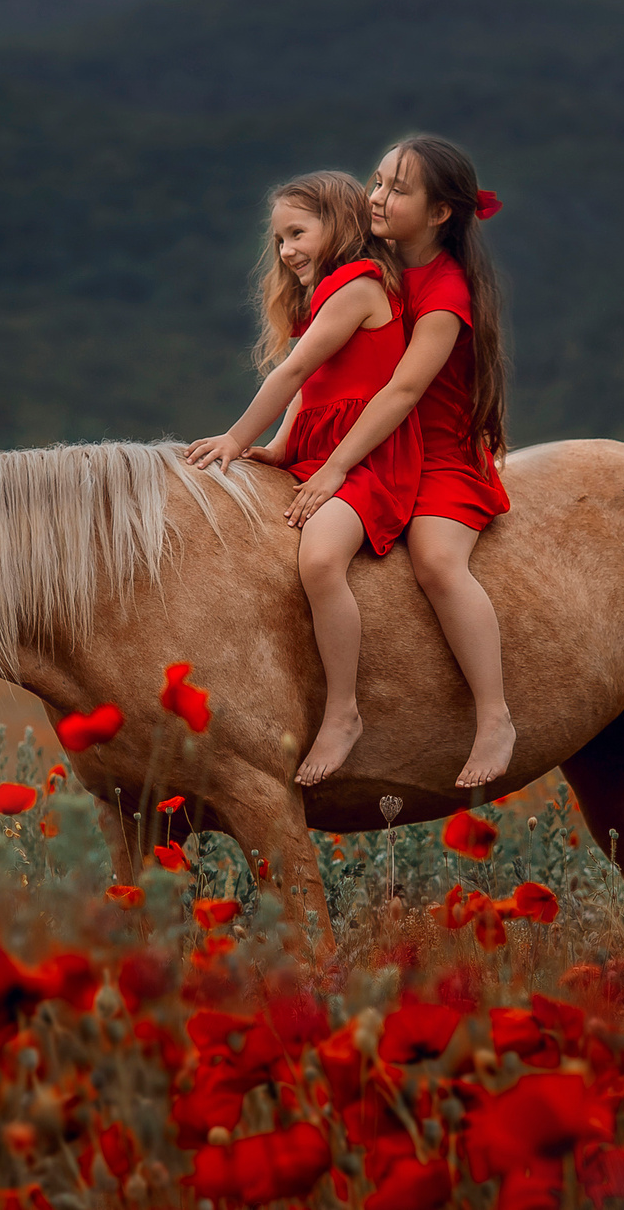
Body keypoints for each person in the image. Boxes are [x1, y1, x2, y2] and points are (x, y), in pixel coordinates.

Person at [184, 171, 422, 786]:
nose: (287, 250)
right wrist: (279, 447)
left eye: (298, 233)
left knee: (319, 560)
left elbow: (290, 374)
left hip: (368, 457)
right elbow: (315, 387)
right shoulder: (326, 293)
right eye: (279, 240)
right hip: (321, 450)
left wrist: (235, 439)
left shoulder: (359, 285)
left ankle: (344, 711)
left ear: (338, 224)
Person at [292, 135, 514, 788]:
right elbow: (320, 362)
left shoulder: (446, 292)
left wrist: (335, 467)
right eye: (378, 181)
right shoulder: (372, 264)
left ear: (440, 212)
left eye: (398, 189)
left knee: (438, 562)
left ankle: (495, 715)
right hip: (379, 445)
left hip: (437, 455)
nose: (378, 197)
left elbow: (404, 390)